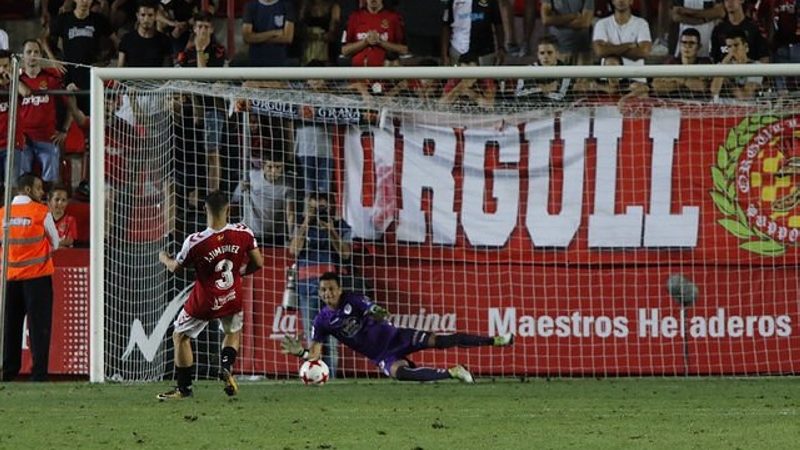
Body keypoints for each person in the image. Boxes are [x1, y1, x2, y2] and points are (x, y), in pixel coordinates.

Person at [281, 272, 514, 383]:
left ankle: (495, 340)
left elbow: (374, 309)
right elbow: (315, 354)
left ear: (340, 289)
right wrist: (301, 353)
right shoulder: (321, 321)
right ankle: (454, 372)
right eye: (323, 290)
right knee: (399, 374)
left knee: (441, 341)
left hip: (397, 336)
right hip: (382, 354)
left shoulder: (353, 299)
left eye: (331, 288)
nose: (327, 293)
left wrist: (381, 313)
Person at [156, 190, 264, 399]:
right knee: (232, 333)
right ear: (229, 209)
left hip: (205, 300)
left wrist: (164, 258)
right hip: (231, 295)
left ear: (205, 209)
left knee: (180, 336)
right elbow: (258, 262)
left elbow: (177, 268)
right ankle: (226, 364)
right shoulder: (244, 232)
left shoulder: (195, 241)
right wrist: (241, 272)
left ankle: (184, 389)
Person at [1, 174, 61, 381]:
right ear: (27, 190)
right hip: (37, 279)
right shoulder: (41, 212)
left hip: (9, 279)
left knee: (10, 327)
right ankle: (38, 374)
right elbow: (55, 242)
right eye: (38, 189)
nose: (42, 193)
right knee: (38, 328)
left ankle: (8, 371)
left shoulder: (2, 214)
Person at [288, 192, 352, 378]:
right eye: (314, 208)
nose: (318, 212)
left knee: (332, 338)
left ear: (331, 208)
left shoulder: (340, 226)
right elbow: (293, 250)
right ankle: (313, 375)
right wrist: (307, 222)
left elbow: (346, 254)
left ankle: (330, 378)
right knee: (312, 336)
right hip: (307, 288)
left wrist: (331, 230)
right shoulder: (300, 225)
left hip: (332, 292)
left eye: (322, 208)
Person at [232, 149, 295, 247]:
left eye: (278, 167)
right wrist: (241, 188)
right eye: (270, 167)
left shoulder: (288, 185)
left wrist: (291, 236)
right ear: (263, 167)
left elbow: (290, 213)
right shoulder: (252, 177)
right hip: (253, 233)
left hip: (277, 235)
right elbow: (234, 200)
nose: (274, 171)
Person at [341, 0, 408, 66]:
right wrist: (365, 42)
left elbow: (404, 49)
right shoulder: (354, 17)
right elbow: (344, 50)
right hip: (358, 72)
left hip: (384, 72)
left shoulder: (394, 18)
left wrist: (380, 42)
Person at [652, 28, 711, 100]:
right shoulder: (672, 62)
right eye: (684, 42)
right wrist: (687, 82)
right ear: (680, 45)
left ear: (699, 47)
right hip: (673, 102)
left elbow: (701, 86)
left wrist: (676, 79)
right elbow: (657, 86)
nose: (687, 46)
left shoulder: (704, 63)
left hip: (699, 104)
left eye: (691, 43)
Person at [441, 0, 505, 67]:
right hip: (458, 48)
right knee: (457, 76)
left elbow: (498, 24)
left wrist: (501, 47)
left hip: (485, 50)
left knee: (485, 76)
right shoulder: (452, 1)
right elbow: (446, 25)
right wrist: (444, 54)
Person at [592, 0, 652, 66]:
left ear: (631, 1)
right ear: (612, 1)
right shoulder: (602, 24)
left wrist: (610, 48)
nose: (621, 1)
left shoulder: (641, 23)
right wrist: (627, 46)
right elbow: (600, 51)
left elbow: (644, 52)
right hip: (609, 74)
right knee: (611, 62)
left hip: (635, 74)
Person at [710, 29, 764, 102]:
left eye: (736, 45)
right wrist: (723, 64)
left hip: (745, 108)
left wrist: (728, 82)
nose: (733, 50)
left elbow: (745, 96)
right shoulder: (722, 65)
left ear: (745, 46)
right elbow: (714, 91)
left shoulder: (756, 66)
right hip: (721, 107)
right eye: (729, 46)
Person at [117, 0, 172, 68]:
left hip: (156, 78)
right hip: (132, 78)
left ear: (155, 16)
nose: (146, 19)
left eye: (150, 15)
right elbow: (120, 67)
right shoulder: (127, 39)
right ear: (137, 16)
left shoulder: (164, 40)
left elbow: (168, 71)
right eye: (143, 15)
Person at [242, 0, 296, 67]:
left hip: (280, 63)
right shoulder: (251, 6)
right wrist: (274, 33)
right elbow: (247, 37)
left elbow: (288, 37)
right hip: (255, 62)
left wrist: (256, 38)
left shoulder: (286, 5)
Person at [540, 0, 594, 65]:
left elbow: (584, 23)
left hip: (582, 49)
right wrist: (574, 15)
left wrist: (556, 21)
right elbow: (546, 20)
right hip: (557, 50)